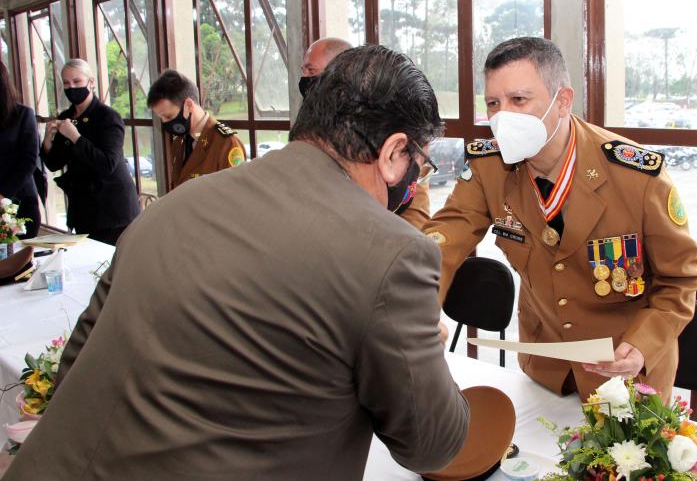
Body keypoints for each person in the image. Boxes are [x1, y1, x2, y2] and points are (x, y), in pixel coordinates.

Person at [4, 45, 468, 479]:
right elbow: (431, 442)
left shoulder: (174, 205)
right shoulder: (389, 252)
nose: (416, 178)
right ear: (393, 153)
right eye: (419, 164)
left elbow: (78, 357)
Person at [423, 37, 697, 401]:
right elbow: (441, 242)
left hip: (626, 377)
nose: (502, 116)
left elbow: (680, 281)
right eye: (493, 103)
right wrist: (420, 307)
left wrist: (642, 344)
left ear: (562, 101)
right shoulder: (490, 168)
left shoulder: (635, 176)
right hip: (546, 370)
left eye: (519, 100)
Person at [300, 36, 432, 229]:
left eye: (311, 71)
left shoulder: (388, 123)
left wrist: (408, 251)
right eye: (303, 70)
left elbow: (414, 205)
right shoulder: (308, 131)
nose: (305, 78)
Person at [40, 59, 139, 245]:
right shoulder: (66, 117)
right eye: (67, 83)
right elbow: (54, 163)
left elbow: (108, 163)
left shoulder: (108, 117)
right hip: (83, 208)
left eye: (77, 82)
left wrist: (76, 137)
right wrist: (47, 140)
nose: (72, 88)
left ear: (90, 82)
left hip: (113, 209)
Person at [148, 69, 247, 191]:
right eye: (161, 118)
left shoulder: (227, 144)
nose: (165, 123)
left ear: (188, 106)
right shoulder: (179, 142)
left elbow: (236, 196)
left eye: (168, 116)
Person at [0, 61, 40, 239]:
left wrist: (3, 194)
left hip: (19, 199)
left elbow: (29, 160)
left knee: (19, 260)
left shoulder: (23, 114)